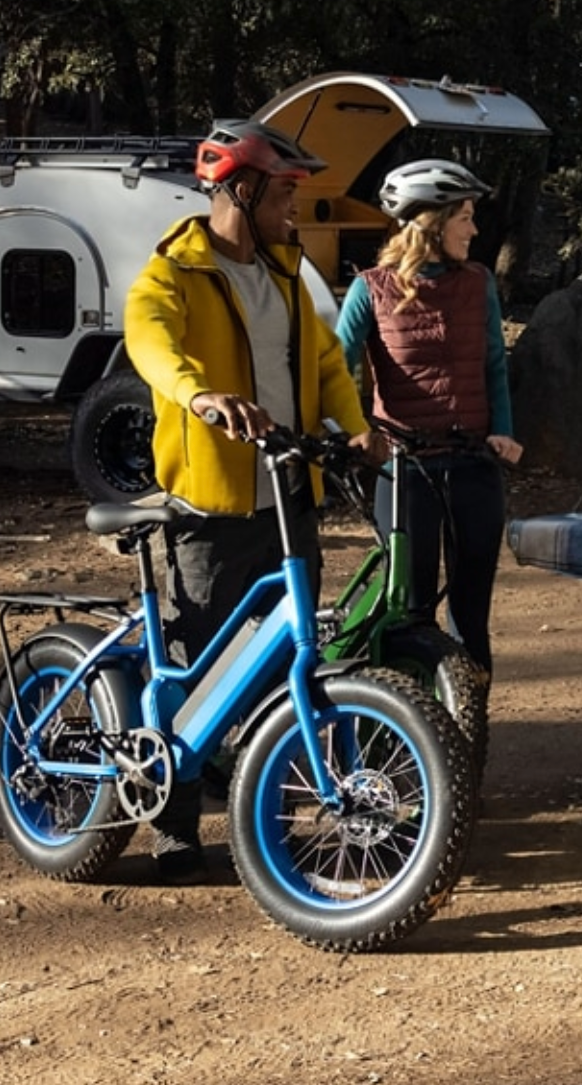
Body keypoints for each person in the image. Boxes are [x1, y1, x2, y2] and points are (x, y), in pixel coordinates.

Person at [122, 118, 371, 883]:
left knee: (279, 661)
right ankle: (172, 825)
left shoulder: (287, 273)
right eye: (284, 194)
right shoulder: (174, 273)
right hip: (213, 499)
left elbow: (327, 361)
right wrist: (200, 398)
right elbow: (150, 343)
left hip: (288, 490)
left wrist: (357, 430)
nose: (295, 209)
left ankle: (265, 803)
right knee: (200, 659)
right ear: (239, 190)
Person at [336, 159, 523, 675]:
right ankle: (404, 738)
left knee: (471, 616)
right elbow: (333, 370)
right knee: (409, 614)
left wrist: (503, 430)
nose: (475, 228)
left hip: (474, 465)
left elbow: (492, 365)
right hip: (405, 472)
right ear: (433, 222)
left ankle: (469, 741)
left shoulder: (479, 283)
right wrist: (354, 431)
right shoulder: (369, 289)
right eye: (465, 216)